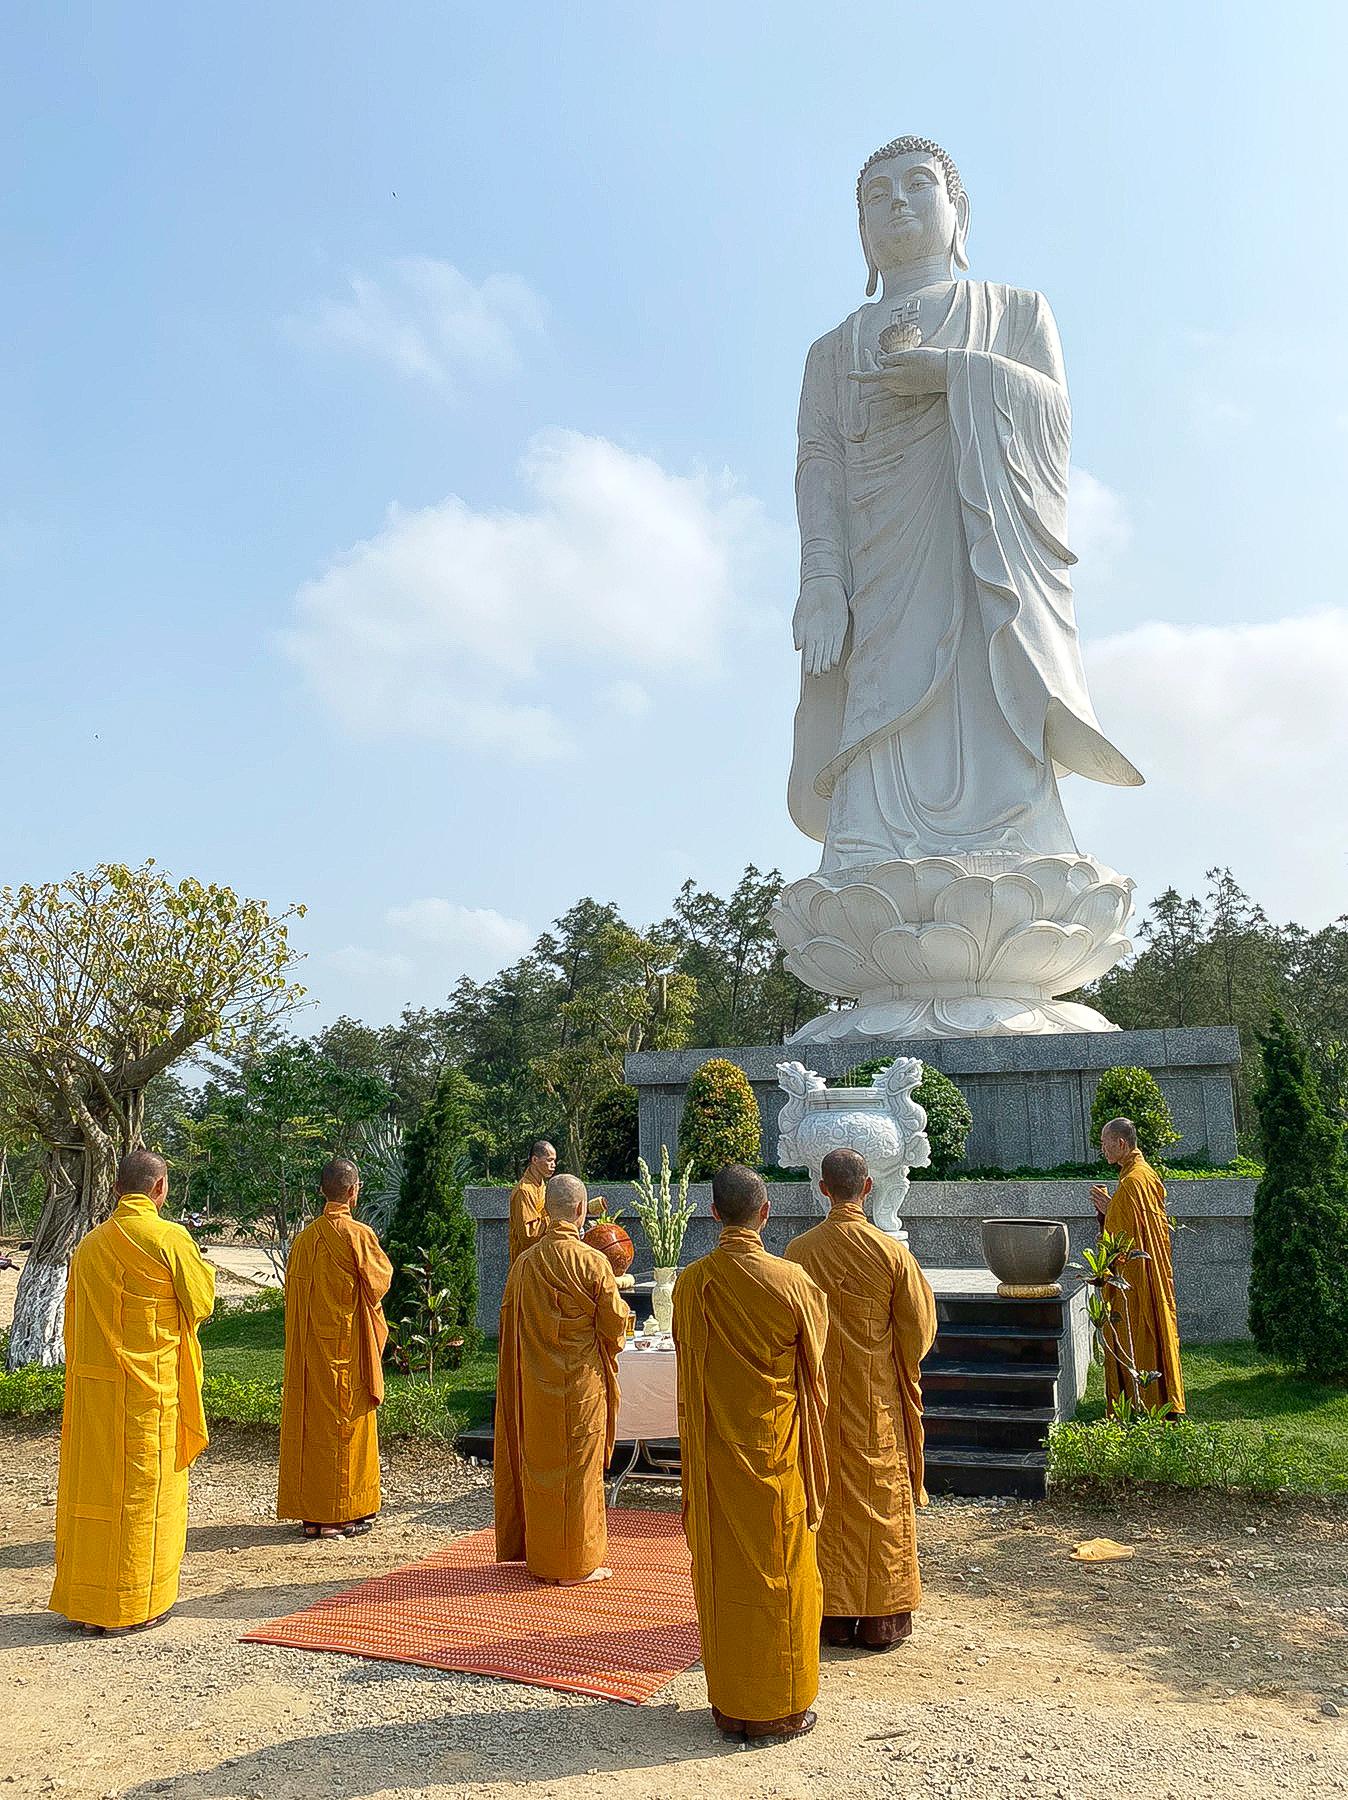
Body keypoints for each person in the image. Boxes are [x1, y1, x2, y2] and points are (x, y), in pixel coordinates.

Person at [789, 133, 1142, 875]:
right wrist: (819, 577)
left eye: (919, 185)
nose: (897, 205)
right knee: (879, 694)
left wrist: (954, 375)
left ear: (960, 211)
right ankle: (870, 844)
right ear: (860, 231)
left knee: (988, 669)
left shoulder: (1014, 311)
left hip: (983, 566)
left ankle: (1013, 834)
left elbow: (1054, 418)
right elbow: (818, 464)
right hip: (879, 578)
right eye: (875, 197)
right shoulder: (832, 350)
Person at [673, 1164, 829, 1742]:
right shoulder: (793, 1282)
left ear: (713, 1214)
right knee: (782, 1576)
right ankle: (782, 1705)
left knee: (725, 1578)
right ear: (765, 1214)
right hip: (778, 1456)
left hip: (715, 1460)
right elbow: (816, 1369)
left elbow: (689, 1364)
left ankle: (733, 1702)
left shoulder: (693, 1285)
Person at [49, 1149, 215, 1636]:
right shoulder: (168, 1238)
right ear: (159, 1188)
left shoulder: (90, 1245)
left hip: (96, 1395)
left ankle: (88, 1600)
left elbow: (74, 1320)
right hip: (150, 1394)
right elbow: (201, 1301)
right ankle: (133, 1604)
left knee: (98, 1493)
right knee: (146, 1493)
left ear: (117, 1188)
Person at [785, 1148, 936, 1651]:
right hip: (875, 1401)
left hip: (820, 1401)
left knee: (823, 1499)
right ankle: (881, 1619)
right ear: (867, 1189)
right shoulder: (892, 1253)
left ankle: (828, 1614)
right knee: (879, 1501)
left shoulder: (798, 1253)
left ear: (823, 1189)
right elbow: (919, 1332)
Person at [495, 1173, 630, 1584]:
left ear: (545, 1211)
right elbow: (613, 1324)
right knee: (580, 1473)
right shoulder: (593, 1262)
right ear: (579, 1211)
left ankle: (542, 1556)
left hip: (536, 1385)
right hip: (583, 1385)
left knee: (543, 1468)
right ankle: (574, 1564)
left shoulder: (524, 1264)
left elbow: (510, 1326)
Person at [278, 1156, 393, 1540]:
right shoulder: (357, 1234)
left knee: (314, 1431)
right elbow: (380, 1282)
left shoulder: (305, 1239)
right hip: (346, 1354)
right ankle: (339, 1516)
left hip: (310, 1356)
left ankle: (313, 1515)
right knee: (345, 1430)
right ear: (352, 1191)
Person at [1091, 1118, 1185, 1416]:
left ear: (1120, 1143)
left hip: (1136, 1277)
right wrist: (1112, 1207)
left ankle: (1146, 1405)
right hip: (1149, 1272)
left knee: (1138, 1332)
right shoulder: (1142, 1174)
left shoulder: (1133, 1182)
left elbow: (1125, 1238)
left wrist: (1110, 1209)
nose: (1102, 1149)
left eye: (1105, 1143)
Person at [507, 1140, 557, 1266]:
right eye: (549, 1160)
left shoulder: (542, 1186)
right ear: (535, 1160)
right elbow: (528, 1235)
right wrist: (556, 1219)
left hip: (542, 1257)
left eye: (554, 1161)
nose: (553, 1165)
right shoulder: (524, 1190)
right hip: (526, 1260)